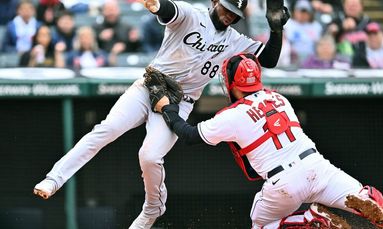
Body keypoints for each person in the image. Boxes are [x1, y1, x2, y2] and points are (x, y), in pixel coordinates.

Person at [33, 0, 290, 228]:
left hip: (181, 101)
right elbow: (168, 10)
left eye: (235, 13)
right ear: (215, 1)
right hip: (149, 87)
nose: (230, 16)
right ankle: (55, 177)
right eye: (227, 8)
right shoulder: (192, 15)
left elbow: (267, 60)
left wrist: (276, 30)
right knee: (107, 129)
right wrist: (156, 5)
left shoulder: (234, 39)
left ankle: (153, 207)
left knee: (150, 155)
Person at [153, 53, 383, 229]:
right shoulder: (278, 98)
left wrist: (168, 109)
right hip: (319, 167)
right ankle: (370, 204)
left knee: (260, 224)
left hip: (284, 182)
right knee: (361, 199)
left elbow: (188, 135)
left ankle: (306, 220)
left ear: (232, 83)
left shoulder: (231, 116)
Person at [284, 0, 322, 65]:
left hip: (311, 59)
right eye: (300, 11)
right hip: (291, 57)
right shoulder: (287, 24)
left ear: (310, 13)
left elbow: (319, 44)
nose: (303, 14)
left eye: (305, 12)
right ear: (295, 11)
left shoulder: (316, 26)